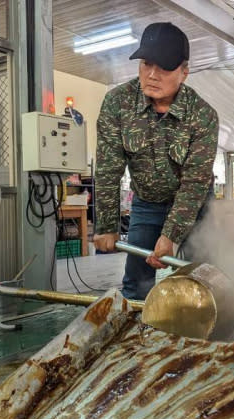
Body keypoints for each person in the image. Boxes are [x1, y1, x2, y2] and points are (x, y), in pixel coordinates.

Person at [92, 22, 218, 300]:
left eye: (164, 67)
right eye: (146, 64)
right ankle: (139, 337)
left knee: (201, 276)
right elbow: (107, 169)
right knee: (137, 283)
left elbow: (195, 183)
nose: (152, 75)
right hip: (147, 202)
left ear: (184, 72)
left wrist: (171, 235)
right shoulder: (118, 104)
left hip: (194, 205)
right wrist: (106, 225)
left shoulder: (203, 116)